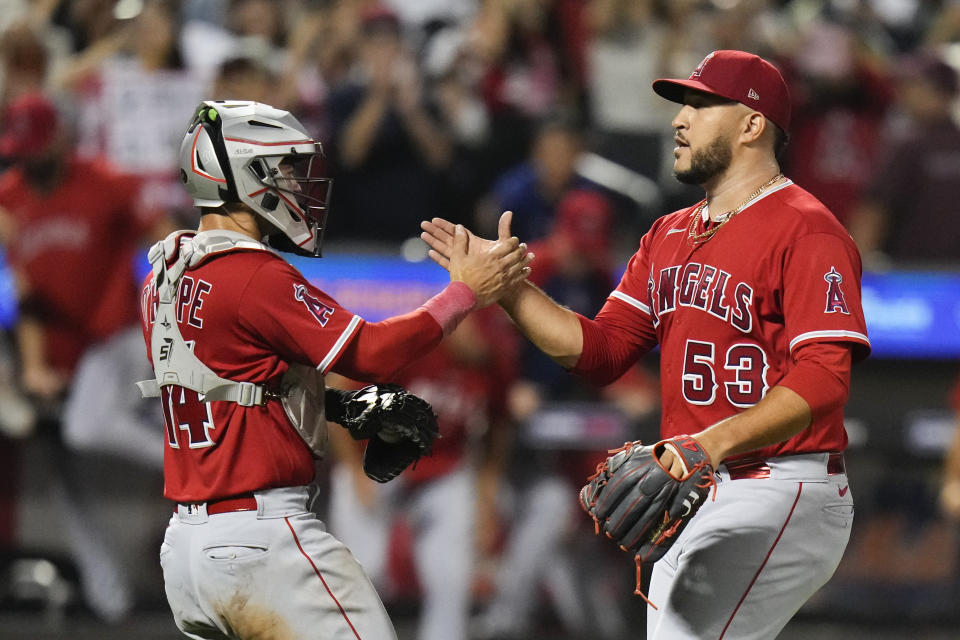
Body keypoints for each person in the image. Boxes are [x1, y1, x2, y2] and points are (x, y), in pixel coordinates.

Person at [423, 49, 871, 639]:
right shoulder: (668, 233)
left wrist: (703, 446)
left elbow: (823, 378)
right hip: (697, 490)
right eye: (682, 105)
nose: (679, 120)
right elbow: (601, 351)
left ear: (752, 124)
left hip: (783, 485)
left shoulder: (807, 228)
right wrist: (509, 289)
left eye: (700, 104)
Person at [139, 100, 530, 640]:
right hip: (262, 540)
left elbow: (232, 386)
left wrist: (341, 406)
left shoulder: (164, 273)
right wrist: (464, 293)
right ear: (243, 174)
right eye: (284, 168)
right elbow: (371, 353)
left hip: (186, 551)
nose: (299, 184)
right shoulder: (253, 274)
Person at [0, 90, 171, 622]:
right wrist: (31, 367)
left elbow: (168, 239)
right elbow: (25, 295)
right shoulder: (8, 197)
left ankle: (199, 464)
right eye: (19, 146)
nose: (28, 156)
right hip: (57, 357)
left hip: (115, 338)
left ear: (60, 135)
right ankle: (109, 597)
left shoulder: (106, 182)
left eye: (36, 143)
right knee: (66, 475)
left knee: (83, 430)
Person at [327, 308, 516, 640]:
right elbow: (339, 397)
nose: (483, 346)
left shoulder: (493, 361)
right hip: (376, 461)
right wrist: (354, 470)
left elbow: (499, 426)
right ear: (460, 325)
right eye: (481, 336)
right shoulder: (412, 344)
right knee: (364, 570)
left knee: (452, 577)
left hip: (444, 470)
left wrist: (487, 492)